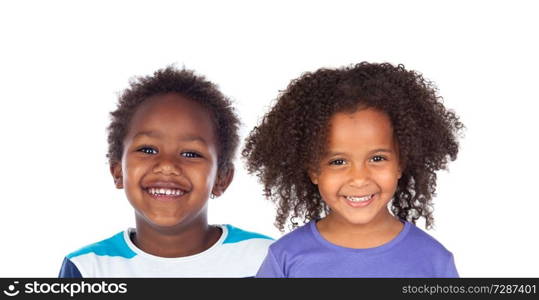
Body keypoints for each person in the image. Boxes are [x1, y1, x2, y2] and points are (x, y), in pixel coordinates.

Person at [242, 62, 463, 277]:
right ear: (313, 171)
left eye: (377, 158)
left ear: (400, 163)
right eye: (338, 162)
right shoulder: (285, 258)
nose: (359, 179)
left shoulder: (433, 261)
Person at [59, 66, 273, 277]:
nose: (168, 165)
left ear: (222, 178)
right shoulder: (86, 269)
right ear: (118, 171)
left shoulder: (266, 258)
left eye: (191, 154)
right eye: (147, 149)